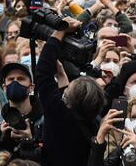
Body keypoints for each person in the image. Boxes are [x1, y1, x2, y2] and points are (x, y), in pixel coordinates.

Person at [36, 18, 108, 166]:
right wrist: (62, 76)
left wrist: (60, 30)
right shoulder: (93, 123)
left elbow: (43, 71)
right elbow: (66, 102)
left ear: (67, 100)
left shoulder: (57, 110)